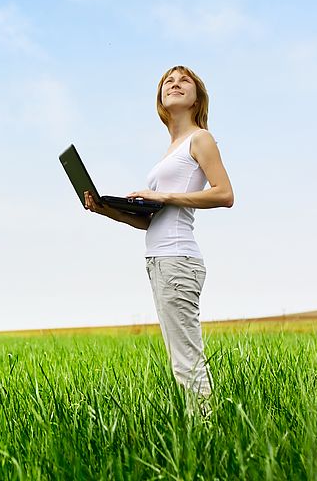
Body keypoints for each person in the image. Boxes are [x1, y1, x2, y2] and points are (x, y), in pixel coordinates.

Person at [83, 65, 234, 403]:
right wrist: (105, 209)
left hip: (178, 259)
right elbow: (151, 222)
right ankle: (201, 432)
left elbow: (224, 194)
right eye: (169, 81)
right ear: (160, 99)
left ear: (197, 98)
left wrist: (163, 195)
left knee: (187, 362)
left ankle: (206, 438)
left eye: (185, 81)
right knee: (180, 361)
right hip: (161, 261)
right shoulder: (172, 149)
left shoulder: (201, 139)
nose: (175, 84)